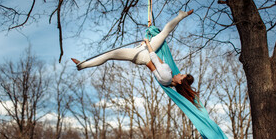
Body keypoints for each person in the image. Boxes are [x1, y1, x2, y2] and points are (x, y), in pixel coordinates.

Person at [71, 10, 199, 106]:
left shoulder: (167, 78)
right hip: (145, 51)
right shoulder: (168, 80)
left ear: (181, 81)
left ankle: (82, 65)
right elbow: (159, 61)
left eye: (181, 76)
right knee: (164, 32)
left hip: (144, 55)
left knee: (110, 54)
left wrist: (148, 45)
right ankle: (181, 16)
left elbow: (154, 60)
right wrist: (148, 40)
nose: (180, 74)